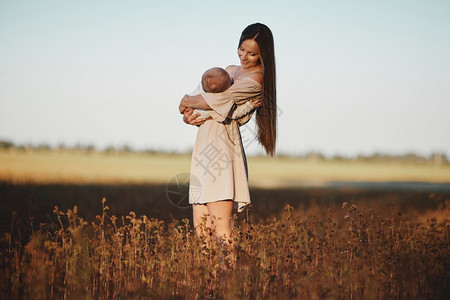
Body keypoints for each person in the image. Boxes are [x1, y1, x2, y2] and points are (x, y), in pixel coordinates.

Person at [179, 23, 277, 243]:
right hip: (203, 145)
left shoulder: (256, 78)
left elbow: (218, 100)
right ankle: (208, 277)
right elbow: (201, 96)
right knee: (201, 231)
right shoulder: (228, 70)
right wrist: (187, 112)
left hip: (222, 148)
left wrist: (186, 101)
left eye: (252, 53)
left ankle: (228, 277)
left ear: (263, 55)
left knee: (222, 230)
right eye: (242, 49)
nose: (245, 56)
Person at [186, 66, 261, 120]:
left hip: (190, 110)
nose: (232, 80)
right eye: (230, 82)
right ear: (225, 90)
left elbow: (186, 102)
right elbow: (234, 114)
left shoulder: (204, 88)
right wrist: (249, 106)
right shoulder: (218, 102)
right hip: (198, 116)